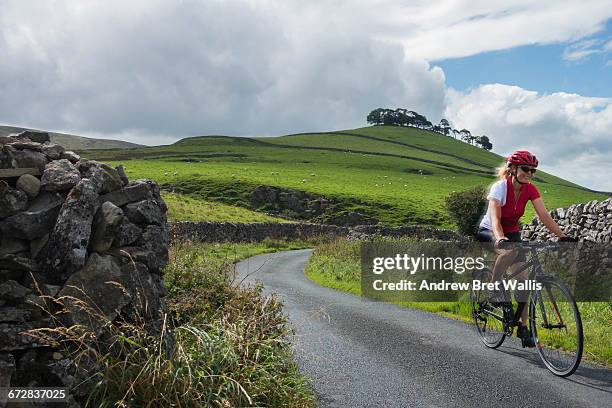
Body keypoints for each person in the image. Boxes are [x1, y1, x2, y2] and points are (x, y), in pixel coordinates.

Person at [476, 150, 571, 347]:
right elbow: (495, 217)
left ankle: (523, 326)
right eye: (526, 169)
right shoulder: (500, 187)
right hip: (490, 230)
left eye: (533, 170)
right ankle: (493, 290)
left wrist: (562, 236)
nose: (529, 173)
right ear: (512, 169)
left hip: (511, 232)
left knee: (524, 282)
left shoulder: (531, 189)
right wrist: (500, 238)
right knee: (508, 251)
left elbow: (544, 215)